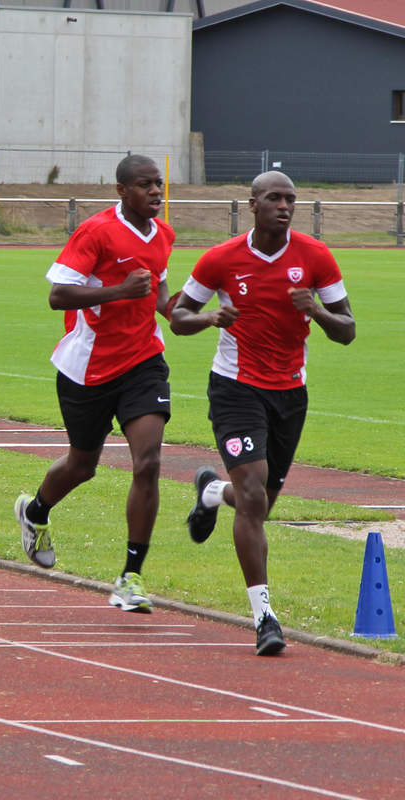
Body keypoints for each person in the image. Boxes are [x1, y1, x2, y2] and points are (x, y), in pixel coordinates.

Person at [170, 170, 356, 656]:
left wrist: (316, 310)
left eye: (290, 199)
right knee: (253, 497)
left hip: (290, 393)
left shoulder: (315, 257)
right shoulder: (221, 258)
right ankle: (264, 619)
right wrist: (211, 317)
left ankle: (212, 492)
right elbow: (179, 318)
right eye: (274, 198)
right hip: (235, 389)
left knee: (261, 504)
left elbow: (348, 329)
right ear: (252, 204)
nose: (284, 206)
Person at [13, 154, 175, 614]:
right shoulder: (95, 232)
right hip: (88, 368)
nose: (156, 192)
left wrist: (190, 313)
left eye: (159, 184)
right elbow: (58, 295)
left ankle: (131, 577)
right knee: (82, 466)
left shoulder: (164, 234)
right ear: (122, 190)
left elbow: (159, 292)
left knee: (148, 462)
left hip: (144, 362)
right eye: (145, 185)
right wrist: (120, 291)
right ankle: (35, 512)